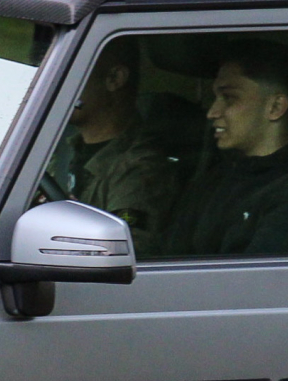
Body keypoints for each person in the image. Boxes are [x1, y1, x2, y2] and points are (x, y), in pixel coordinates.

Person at [157, 39, 288, 258]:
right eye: (215, 98)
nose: (212, 112)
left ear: (275, 107)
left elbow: (257, 284)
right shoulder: (215, 179)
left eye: (229, 98)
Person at [39, 37, 185, 245]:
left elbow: (122, 252)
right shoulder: (62, 148)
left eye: (69, 74)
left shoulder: (139, 170)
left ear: (114, 78)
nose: (56, 87)